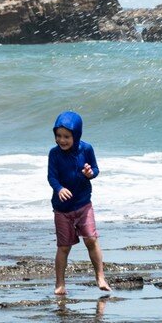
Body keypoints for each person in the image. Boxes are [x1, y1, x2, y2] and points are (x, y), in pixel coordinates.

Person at [48, 110, 110, 294]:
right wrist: (59, 188)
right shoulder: (54, 154)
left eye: (67, 136)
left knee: (91, 239)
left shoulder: (86, 149)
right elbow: (51, 177)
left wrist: (90, 173)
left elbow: (96, 169)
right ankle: (60, 284)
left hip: (83, 204)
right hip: (62, 209)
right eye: (58, 136)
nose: (62, 140)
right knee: (63, 247)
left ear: (76, 134)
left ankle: (100, 277)